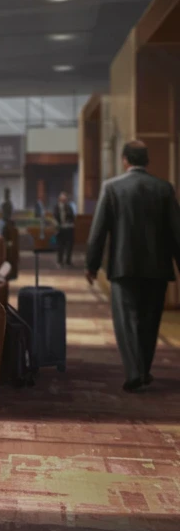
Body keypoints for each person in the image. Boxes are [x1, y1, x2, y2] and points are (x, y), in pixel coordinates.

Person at [85, 141, 180, 392]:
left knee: (126, 321)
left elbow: (99, 231)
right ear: (146, 161)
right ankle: (144, 369)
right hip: (157, 268)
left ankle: (134, 371)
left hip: (122, 267)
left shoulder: (112, 188)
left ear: (124, 159)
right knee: (150, 322)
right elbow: (176, 233)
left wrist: (92, 265)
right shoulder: (164, 188)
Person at [54, 192, 76, 267]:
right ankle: (60, 261)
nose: (64, 200)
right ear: (59, 199)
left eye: (65, 199)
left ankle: (68, 261)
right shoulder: (56, 207)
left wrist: (69, 222)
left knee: (69, 245)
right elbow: (55, 217)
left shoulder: (69, 207)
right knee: (60, 246)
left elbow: (72, 216)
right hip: (60, 229)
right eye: (62, 199)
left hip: (68, 228)